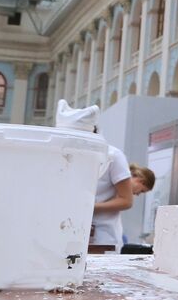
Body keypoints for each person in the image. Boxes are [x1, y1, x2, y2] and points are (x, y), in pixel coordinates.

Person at [55, 99, 133, 250]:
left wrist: (90, 206)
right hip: (66, 229)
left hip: (102, 236)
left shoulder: (113, 156)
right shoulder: (59, 154)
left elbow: (126, 200)